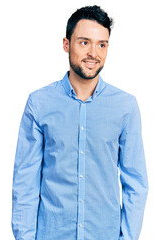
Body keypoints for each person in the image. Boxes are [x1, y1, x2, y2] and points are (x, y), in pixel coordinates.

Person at [11, 5, 148, 240]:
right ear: (66, 44)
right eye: (84, 42)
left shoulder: (125, 106)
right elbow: (25, 181)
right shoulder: (39, 103)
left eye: (101, 44)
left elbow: (135, 182)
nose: (93, 53)